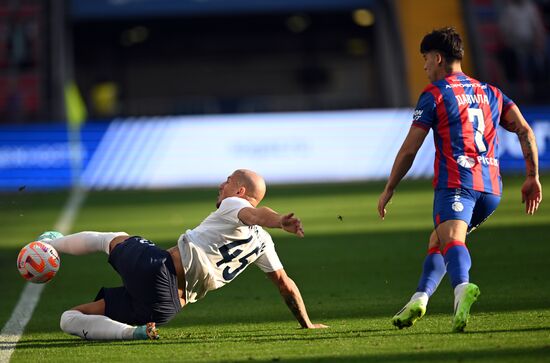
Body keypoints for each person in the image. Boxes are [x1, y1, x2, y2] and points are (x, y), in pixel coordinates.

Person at [377, 27, 542, 332]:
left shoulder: (435, 94)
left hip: (456, 182)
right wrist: (532, 176)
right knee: (438, 241)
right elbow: (525, 130)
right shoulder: (492, 92)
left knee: (452, 238)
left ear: (438, 58)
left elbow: (409, 149)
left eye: (426, 59)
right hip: (491, 189)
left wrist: (390, 187)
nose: (425, 66)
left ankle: (461, 289)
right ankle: (420, 298)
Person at [42, 169, 327, 340]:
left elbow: (256, 213)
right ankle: (133, 332)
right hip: (165, 308)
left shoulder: (232, 204)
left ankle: (51, 244)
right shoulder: (264, 243)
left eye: (227, 181)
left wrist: (278, 220)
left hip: (155, 269)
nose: (221, 185)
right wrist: (307, 324)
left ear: (239, 191)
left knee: (111, 239)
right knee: (70, 318)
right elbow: (285, 285)